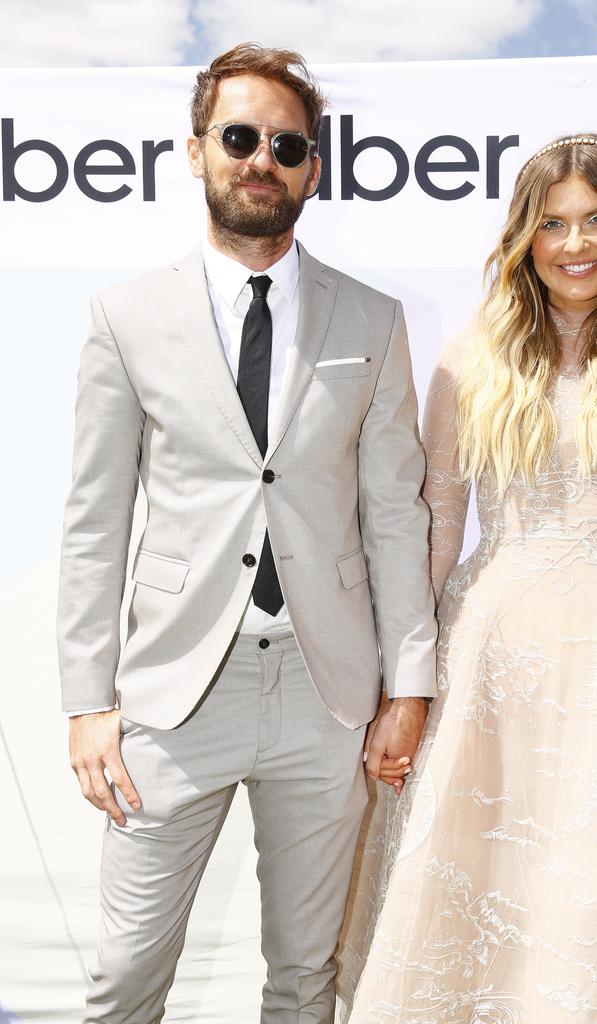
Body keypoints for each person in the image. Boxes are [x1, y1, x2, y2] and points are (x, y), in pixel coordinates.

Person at [338, 134, 597, 1023]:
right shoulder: (469, 361)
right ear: (525, 238)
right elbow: (435, 537)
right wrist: (403, 687)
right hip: (487, 662)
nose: (577, 244)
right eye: (554, 224)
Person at [57, 43, 436, 1024]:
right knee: (126, 977)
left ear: (313, 165)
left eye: (287, 143)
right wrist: (87, 700)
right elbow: (96, 522)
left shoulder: (373, 317)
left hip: (328, 691)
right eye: (240, 136)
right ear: (196, 151)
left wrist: (411, 683)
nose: (261, 157)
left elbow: (395, 511)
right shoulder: (125, 318)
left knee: (306, 980)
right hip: (176, 694)